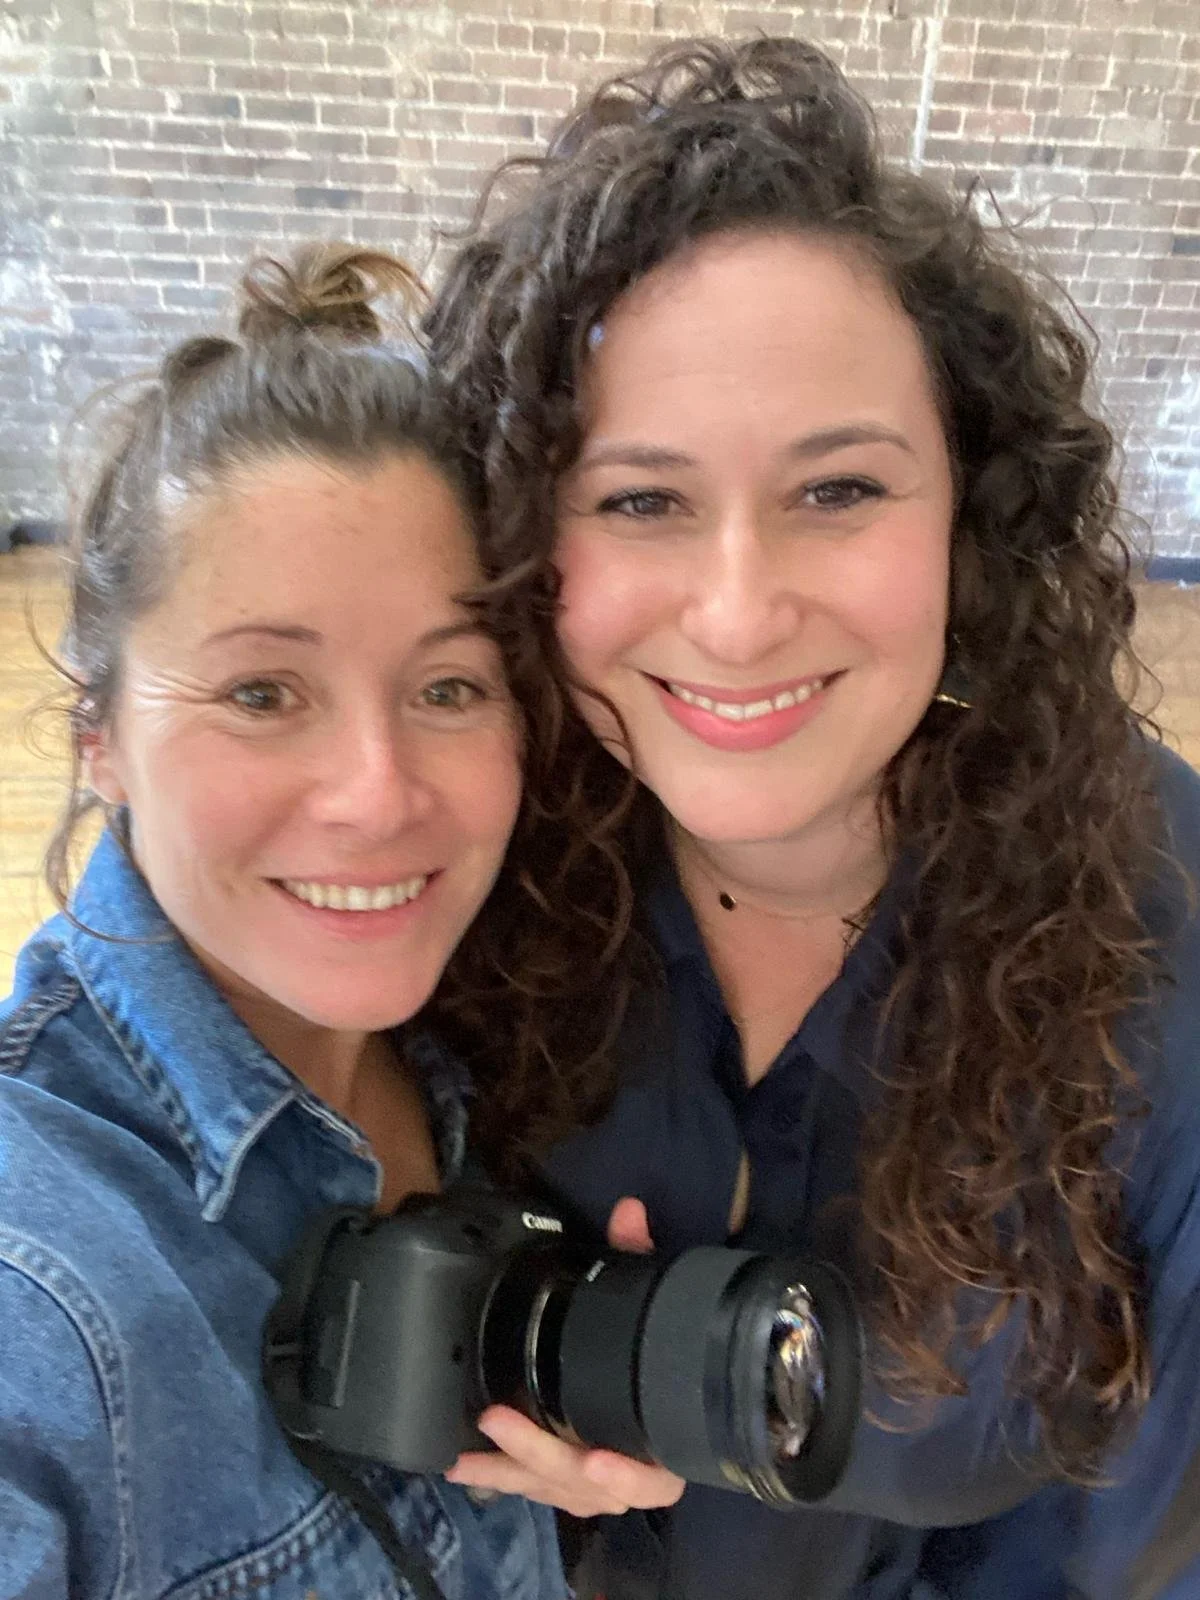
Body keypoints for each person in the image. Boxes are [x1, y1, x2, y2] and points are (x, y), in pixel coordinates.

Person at [427, 36, 1200, 1600]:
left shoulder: (1162, 938)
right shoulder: (446, 851)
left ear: (970, 522)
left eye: (838, 491)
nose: (737, 614)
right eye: (639, 499)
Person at [0, 244, 592, 1600]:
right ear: (100, 735)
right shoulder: (37, 1285)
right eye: (263, 694)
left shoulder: (524, 1059)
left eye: (450, 689)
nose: (376, 799)